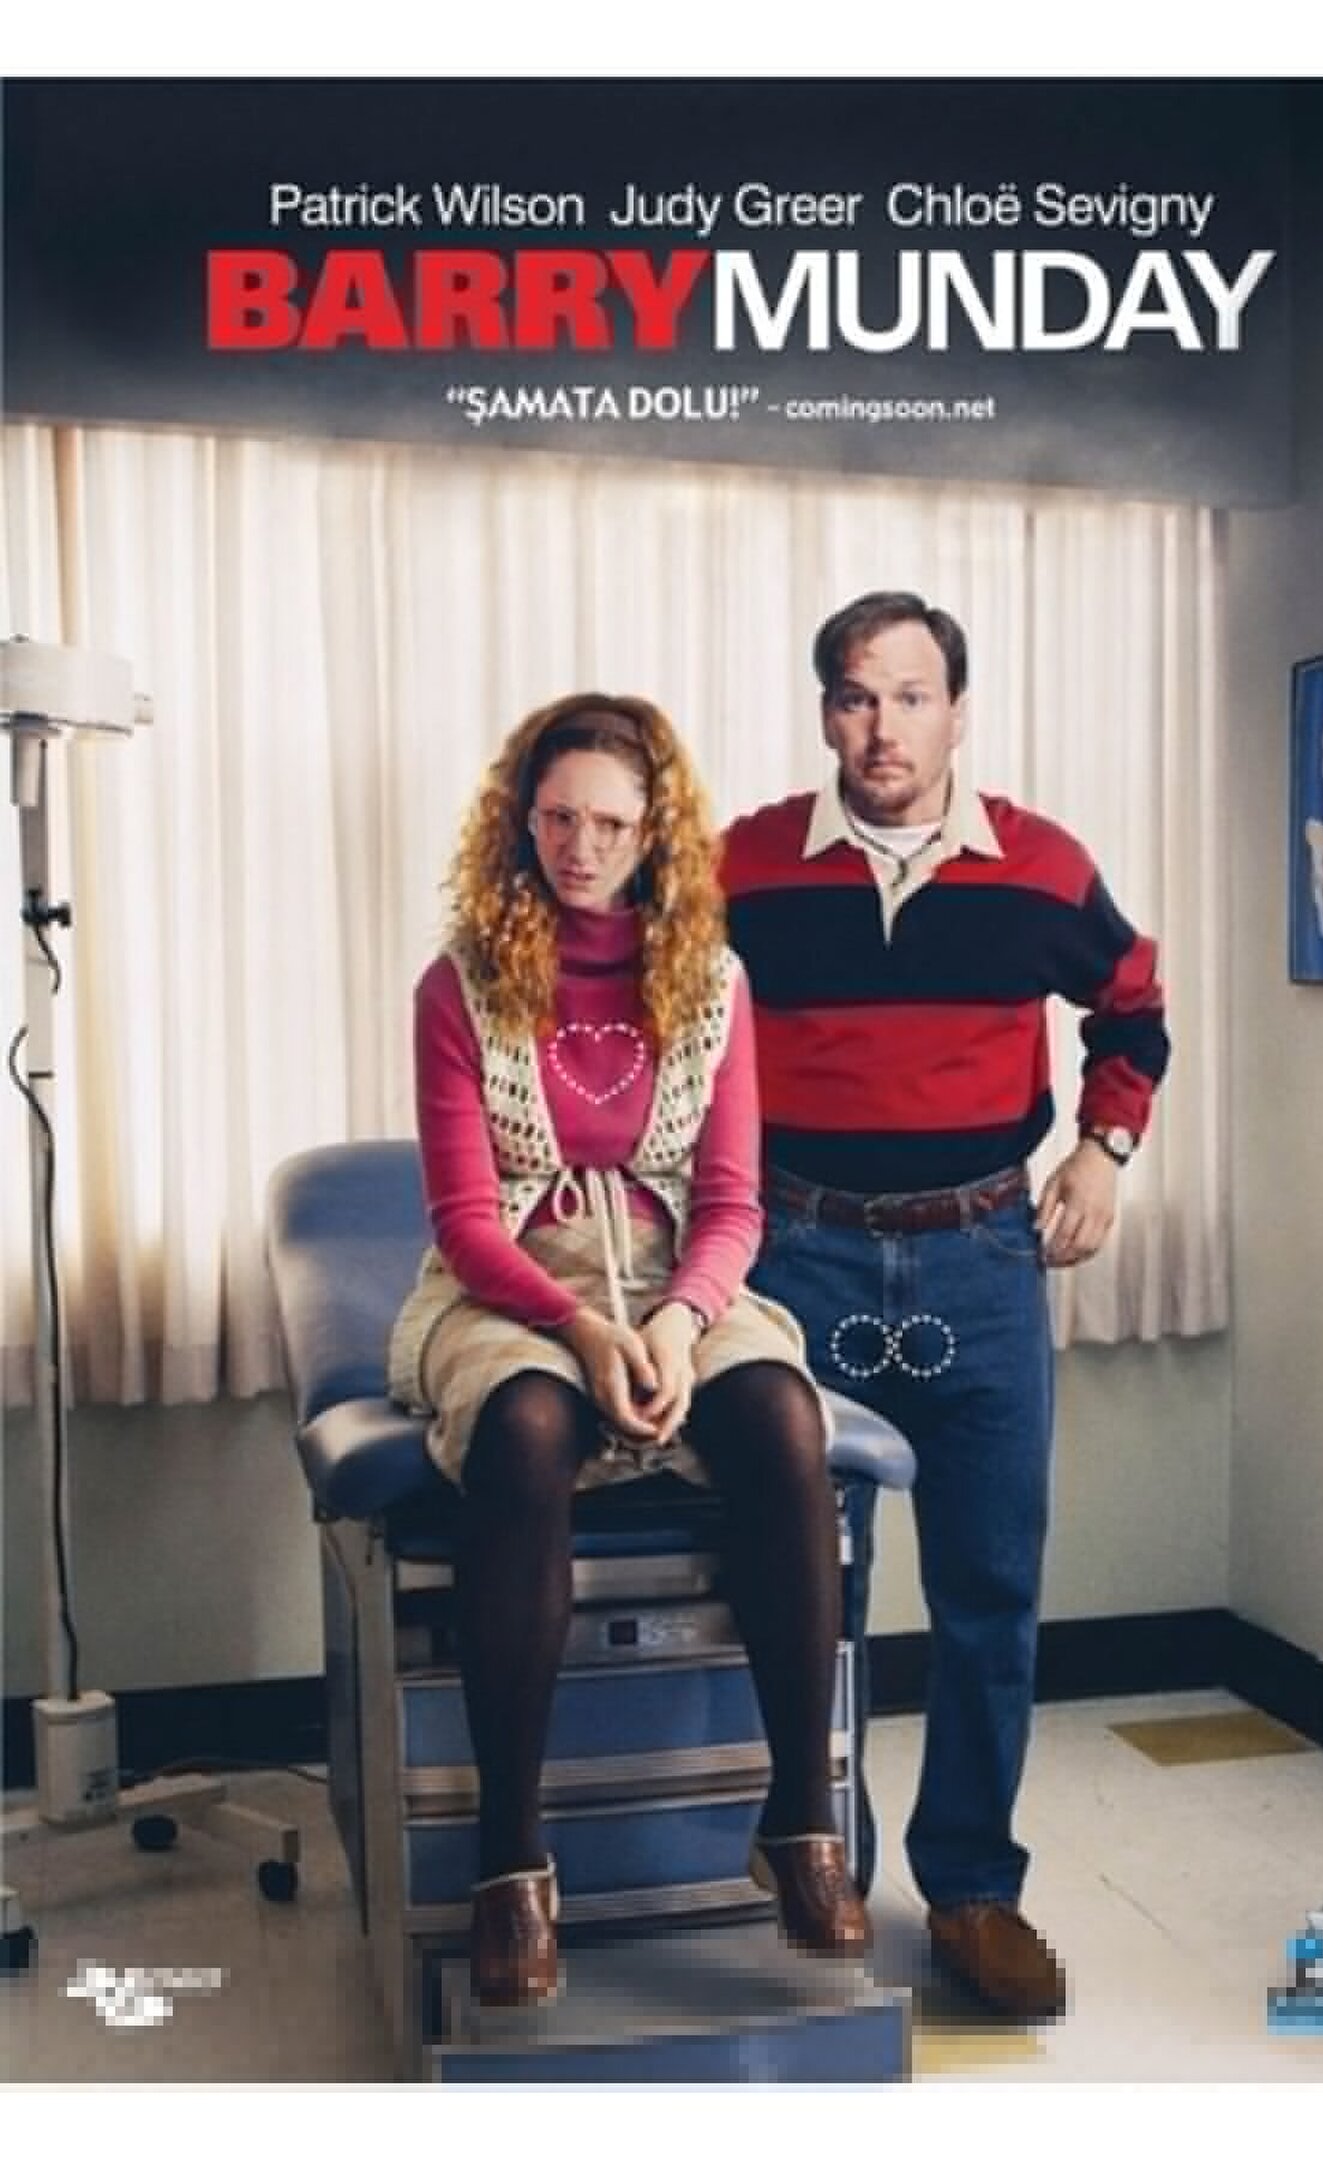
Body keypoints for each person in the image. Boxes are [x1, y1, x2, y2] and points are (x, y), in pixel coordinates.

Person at [721, 591, 1170, 2020]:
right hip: (801, 1262)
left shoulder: (1042, 868)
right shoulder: (745, 866)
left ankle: (973, 1889)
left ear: (956, 712)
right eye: (857, 697)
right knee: (809, 1589)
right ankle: (824, 1866)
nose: (883, 727)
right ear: (825, 714)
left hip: (980, 1262)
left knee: (989, 1591)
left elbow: (1135, 1004)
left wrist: (1102, 1151)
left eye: (911, 697)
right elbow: (658, 1017)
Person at [388, 691, 867, 2007]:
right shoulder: (459, 985)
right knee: (526, 1428)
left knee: (781, 1419)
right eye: (556, 819)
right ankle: (510, 1863)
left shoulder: (711, 982)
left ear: (655, 831)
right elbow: (464, 1221)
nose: (581, 847)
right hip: (512, 1287)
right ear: (519, 821)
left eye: (609, 822)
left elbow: (734, 1205)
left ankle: (800, 1823)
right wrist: (584, 1330)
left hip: (674, 1282)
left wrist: (674, 1320)